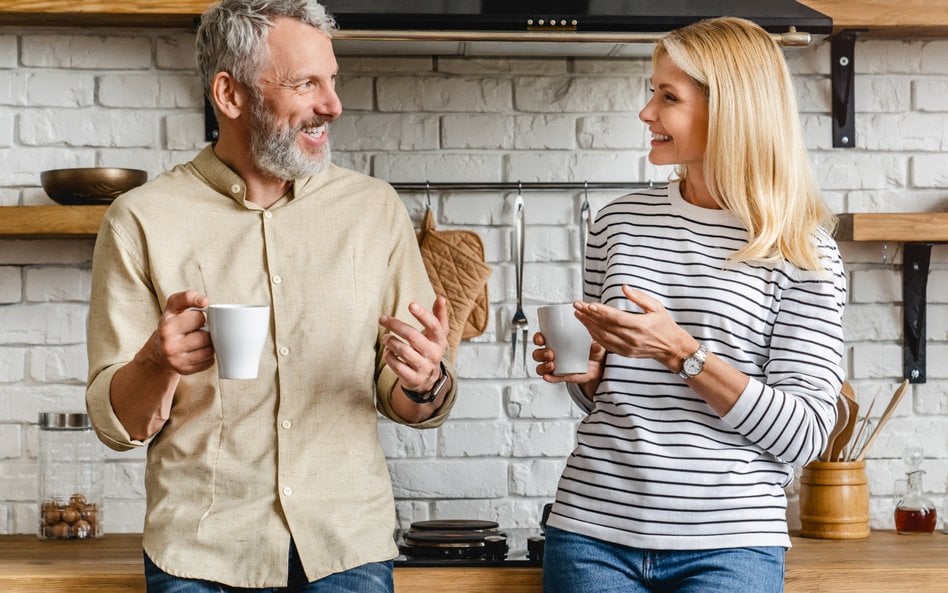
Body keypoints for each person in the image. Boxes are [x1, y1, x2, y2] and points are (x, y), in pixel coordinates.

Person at [85, 1, 457, 591]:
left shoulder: (374, 210)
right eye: (306, 83)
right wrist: (156, 361)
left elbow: (411, 402)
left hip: (344, 549)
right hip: (200, 554)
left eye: (332, 81)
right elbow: (117, 425)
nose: (332, 105)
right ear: (230, 95)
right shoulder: (142, 220)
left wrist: (424, 380)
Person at [533, 17, 846, 593]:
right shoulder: (617, 225)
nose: (647, 113)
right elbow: (611, 400)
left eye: (668, 97)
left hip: (731, 545)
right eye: (652, 92)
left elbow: (804, 435)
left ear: (731, 111)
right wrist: (590, 373)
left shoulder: (803, 252)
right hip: (592, 531)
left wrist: (683, 353)